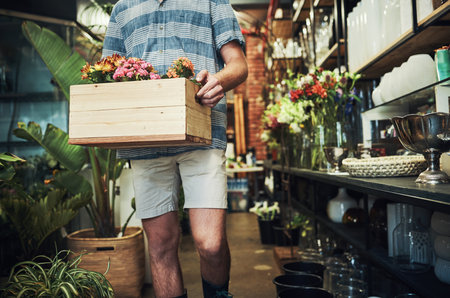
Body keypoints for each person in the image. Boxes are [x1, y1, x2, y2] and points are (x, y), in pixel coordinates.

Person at [102, 1, 248, 297]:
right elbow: (108, 74)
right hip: (144, 140)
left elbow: (239, 64)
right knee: (160, 245)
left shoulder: (212, 1)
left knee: (211, 243)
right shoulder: (122, 8)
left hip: (202, 132)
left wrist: (218, 81)